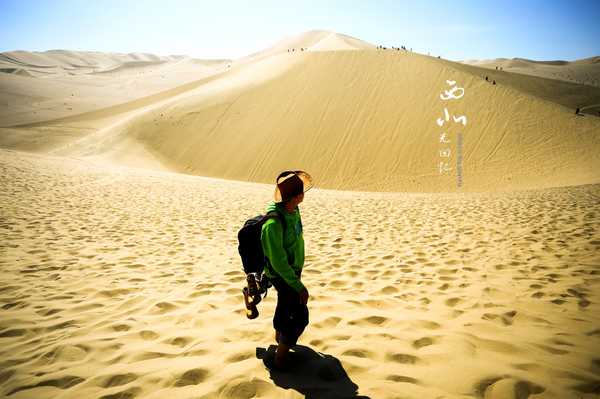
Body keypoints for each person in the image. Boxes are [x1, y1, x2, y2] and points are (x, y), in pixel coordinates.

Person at [261, 170, 313, 369]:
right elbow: (278, 262)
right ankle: (280, 358)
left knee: (284, 307)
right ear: (297, 196)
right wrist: (298, 285)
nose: (303, 194)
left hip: (292, 271)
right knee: (300, 316)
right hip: (283, 275)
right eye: (301, 191)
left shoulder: (293, 210)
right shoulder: (273, 224)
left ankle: (279, 338)